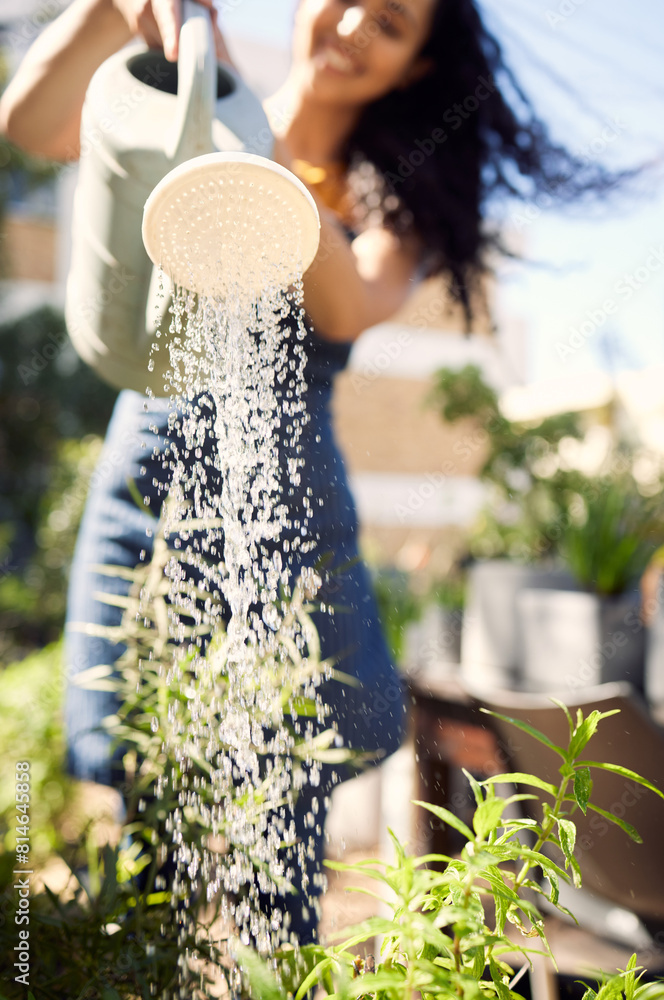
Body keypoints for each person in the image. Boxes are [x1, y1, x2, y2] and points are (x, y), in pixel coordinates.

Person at [0, 0, 612, 944]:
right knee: (140, 783)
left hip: (284, 511)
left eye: (396, 23)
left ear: (414, 66)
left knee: (281, 802)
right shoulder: (192, 89)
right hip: (150, 483)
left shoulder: (386, 190)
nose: (360, 22)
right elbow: (30, 126)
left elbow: (346, 304)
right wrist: (116, 10)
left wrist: (249, 159)